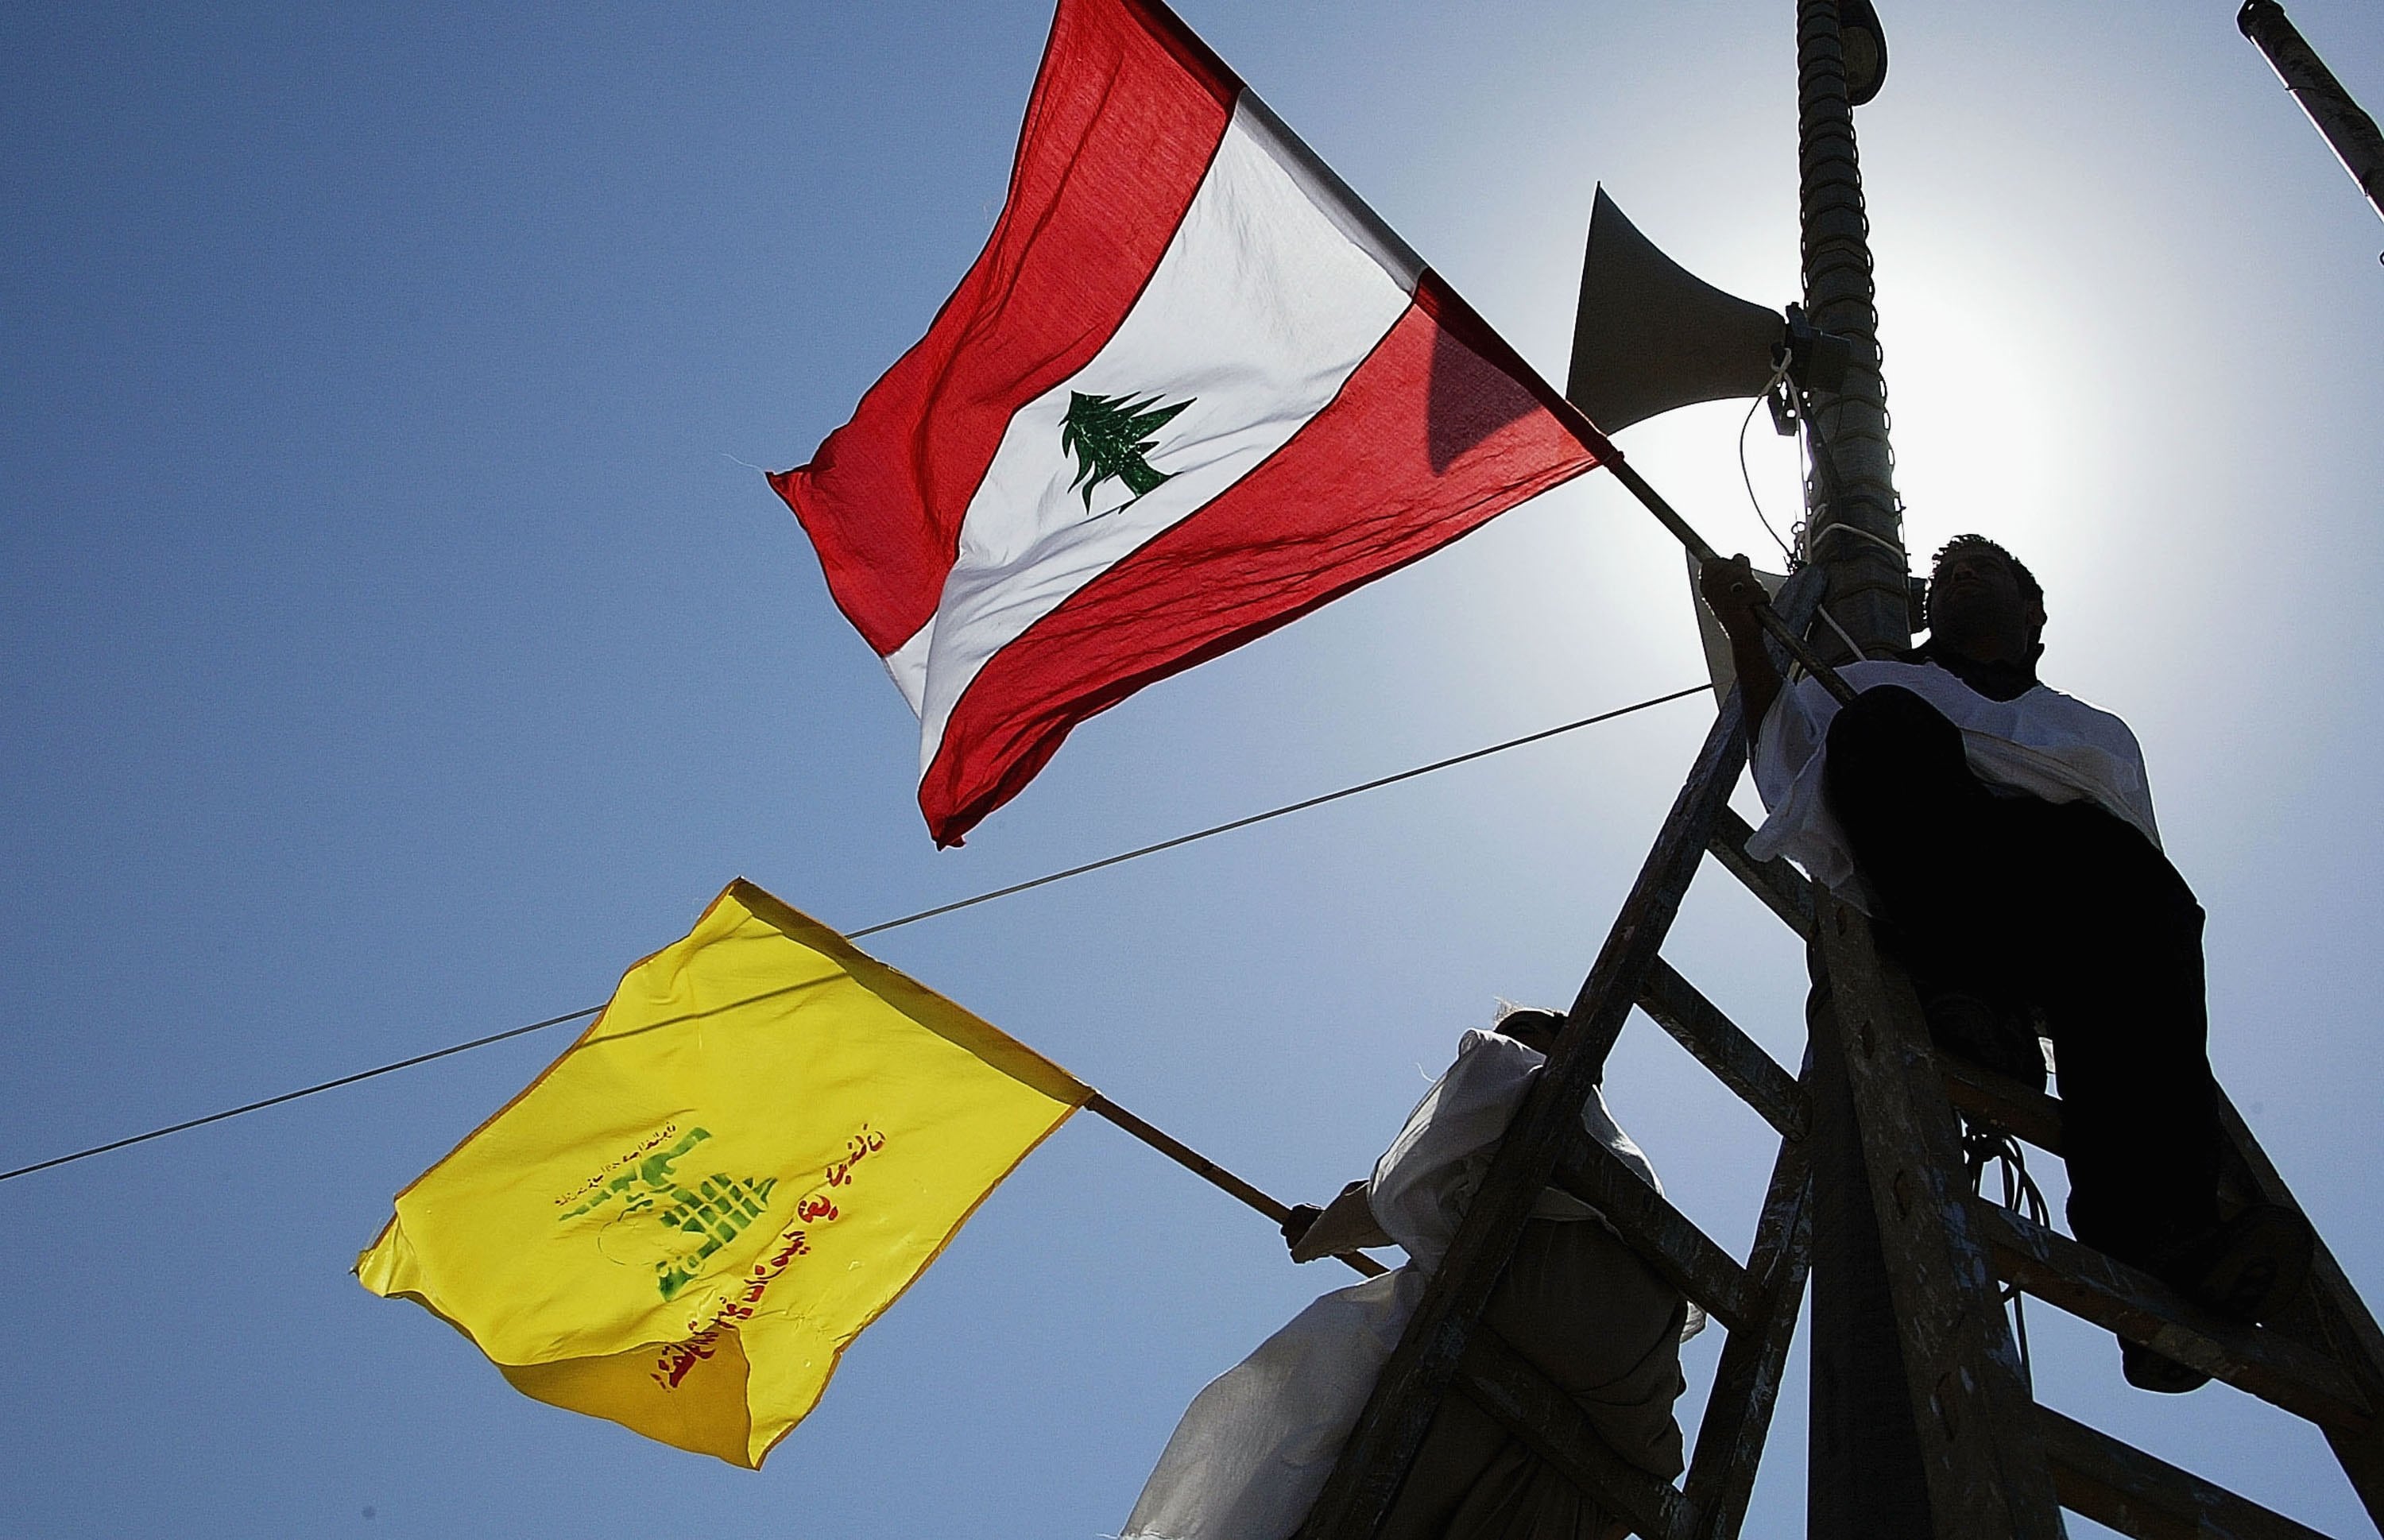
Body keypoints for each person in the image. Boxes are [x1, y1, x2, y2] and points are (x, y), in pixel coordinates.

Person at [1699, 536, 2309, 1393]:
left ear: (2034, 612)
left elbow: (2125, 837)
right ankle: (1978, 1013)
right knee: (1880, 729)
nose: (1960, 578)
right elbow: (1785, 747)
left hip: (2081, 923)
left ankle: (2162, 1259)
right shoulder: (1883, 684)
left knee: (2156, 901)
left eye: (1983, 568)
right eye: (1945, 575)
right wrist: (1745, 634)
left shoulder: (2094, 730)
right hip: (1944, 894)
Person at [1120, 1006, 1694, 1540]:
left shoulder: (1509, 1065)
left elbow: (1409, 1178)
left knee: (1344, 1345)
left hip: (1548, 1296)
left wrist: (1325, 1229)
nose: (1517, 1037)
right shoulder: (1623, 1156)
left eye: (1530, 1028)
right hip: (1635, 1362)